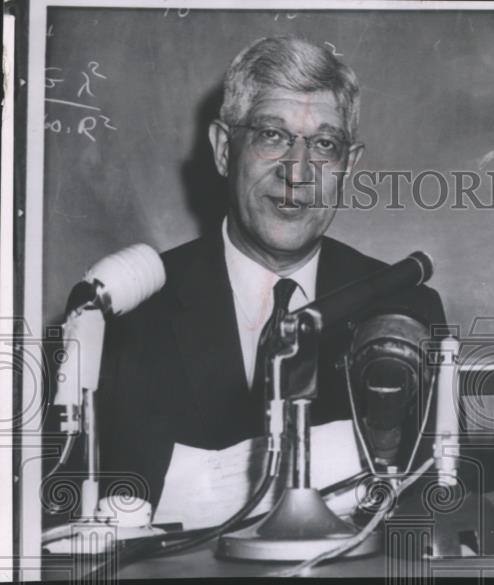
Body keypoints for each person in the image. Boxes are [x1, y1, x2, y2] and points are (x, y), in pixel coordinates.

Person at [94, 37, 446, 509]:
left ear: (348, 166)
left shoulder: (406, 310)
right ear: (224, 149)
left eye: (324, 144)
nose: (297, 172)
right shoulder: (130, 311)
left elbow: (431, 507)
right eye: (272, 135)